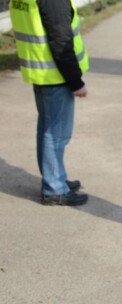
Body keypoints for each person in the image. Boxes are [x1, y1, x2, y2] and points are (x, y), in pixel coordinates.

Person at [9, 0, 89, 206]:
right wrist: (75, 82)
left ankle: (56, 179)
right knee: (56, 135)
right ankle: (54, 188)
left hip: (41, 73)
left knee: (47, 130)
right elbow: (61, 40)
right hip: (56, 76)